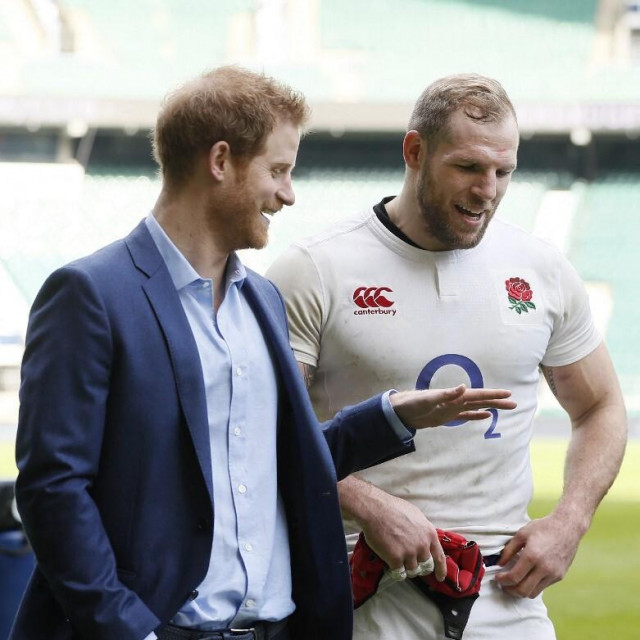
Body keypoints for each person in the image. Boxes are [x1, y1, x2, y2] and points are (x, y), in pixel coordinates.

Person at [10, 67, 517, 640]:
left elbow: (274, 461)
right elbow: (52, 490)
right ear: (220, 161)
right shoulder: (90, 295)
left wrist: (389, 416)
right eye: (278, 170)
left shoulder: (263, 300)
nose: (288, 193)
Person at [266, 73, 628, 639]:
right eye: (467, 167)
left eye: (503, 172)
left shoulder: (542, 269)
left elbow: (602, 405)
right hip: (362, 590)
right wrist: (367, 504)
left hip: (504, 596)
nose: (488, 189)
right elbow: (261, 431)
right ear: (415, 151)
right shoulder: (316, 269)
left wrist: (570, 522)